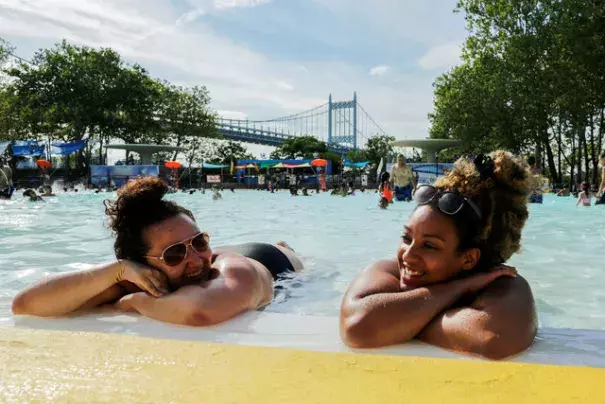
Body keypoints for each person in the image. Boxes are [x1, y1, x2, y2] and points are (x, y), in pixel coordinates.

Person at [12, 177, 303, 325]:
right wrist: (117, 272)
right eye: (174, 254)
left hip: (274, 262)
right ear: (143, 264)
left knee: (289, 256)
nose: (194, 259)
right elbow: (26, 305)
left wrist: (130, 303)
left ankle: (283, 245)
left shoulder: (232, 268)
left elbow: (201, 311)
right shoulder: (136, 274)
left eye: (199, 242)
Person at [340, 151, 537, 360]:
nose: (408, 255)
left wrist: (396, 323)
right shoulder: (388, 272)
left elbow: (492, 340)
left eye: (429, 246)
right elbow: (357, 327)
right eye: (407, 238)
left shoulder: (504, 284)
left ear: (469, 258)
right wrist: (459, 288)